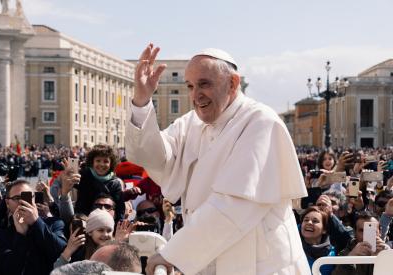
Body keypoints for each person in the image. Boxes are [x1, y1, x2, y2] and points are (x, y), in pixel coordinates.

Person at [125, 44, 310, 274]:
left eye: (204, 84)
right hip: (210, 260)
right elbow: (151, 157)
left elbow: (234, 204)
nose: (195, 95)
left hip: (261, 264)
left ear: (232, 83)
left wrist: (174, 253)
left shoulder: (260, 121)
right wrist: (142, 102)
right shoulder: (190, 123)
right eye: (190, 86)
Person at [0, 179, 67, 275]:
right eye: (16, 198)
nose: (22, 202)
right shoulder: (0, 236)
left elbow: (62, 252)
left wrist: (36, 222)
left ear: (34, 199)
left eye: (26, 197)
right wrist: (20, 235)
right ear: (7, 203)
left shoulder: (54, 223)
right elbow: (10, 270)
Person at [299, 206, 335, 275]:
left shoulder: (333, 254)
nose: (309, 222)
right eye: (306, 220)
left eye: (315, 221)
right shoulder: (291, 247)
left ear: (324, 230)